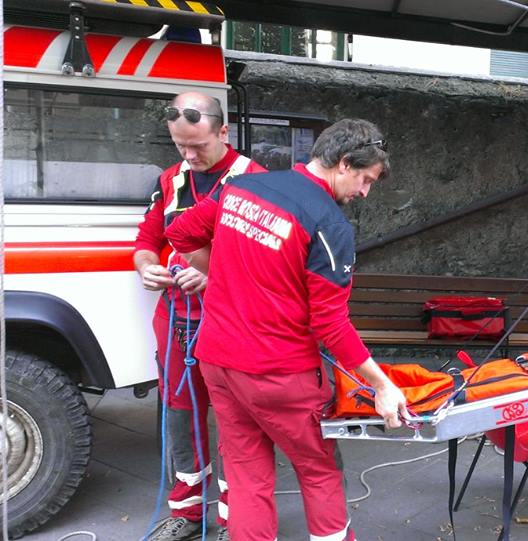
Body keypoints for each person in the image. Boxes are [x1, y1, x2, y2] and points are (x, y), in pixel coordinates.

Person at [166, 118, 407, 541]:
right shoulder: (328, 223)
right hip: (281, 375)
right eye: (365, 180)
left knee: (245, 477)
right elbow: (330, 322)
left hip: (218, 364)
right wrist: (382, 384)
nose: (364, 192)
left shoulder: (242, 186)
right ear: (344, 163)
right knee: (319, 470)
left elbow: (181, 232)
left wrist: (218, 274)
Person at [134, 91, 266, 541]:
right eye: (179, 146)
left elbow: (267, 263)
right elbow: (146, 238)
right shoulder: (172, 179)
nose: (189, 156)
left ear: (223, 132)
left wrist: (213, 279)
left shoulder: (255, 179)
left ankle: (235, 519)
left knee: (237, 418)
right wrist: (146, 267)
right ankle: (187, 512)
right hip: (176, 316)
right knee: (179, 411)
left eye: (198, 147)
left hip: (233, 319)